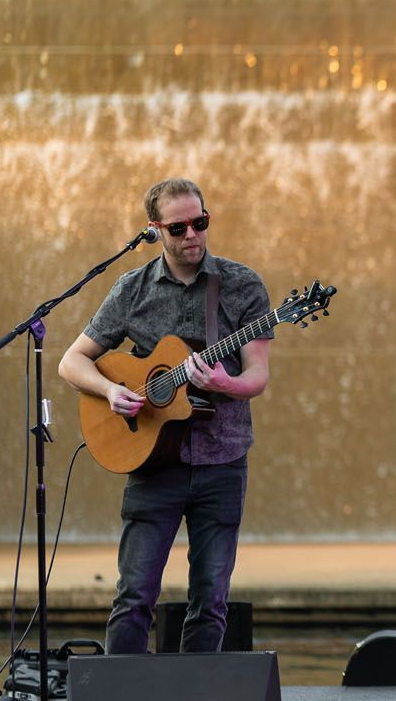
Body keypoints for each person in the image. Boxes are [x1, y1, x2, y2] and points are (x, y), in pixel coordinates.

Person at [59, 179, 272, 654]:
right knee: (135, 595)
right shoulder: (132, 290)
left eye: (201, 222)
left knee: (211, 598)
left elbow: (257, 377)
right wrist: (112, 390)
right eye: (179, 227)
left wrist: (223, 384)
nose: (193, 235)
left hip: (221, 460)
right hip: (153, 463)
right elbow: (71, 362)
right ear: (154, 230)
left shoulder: (240, 284)